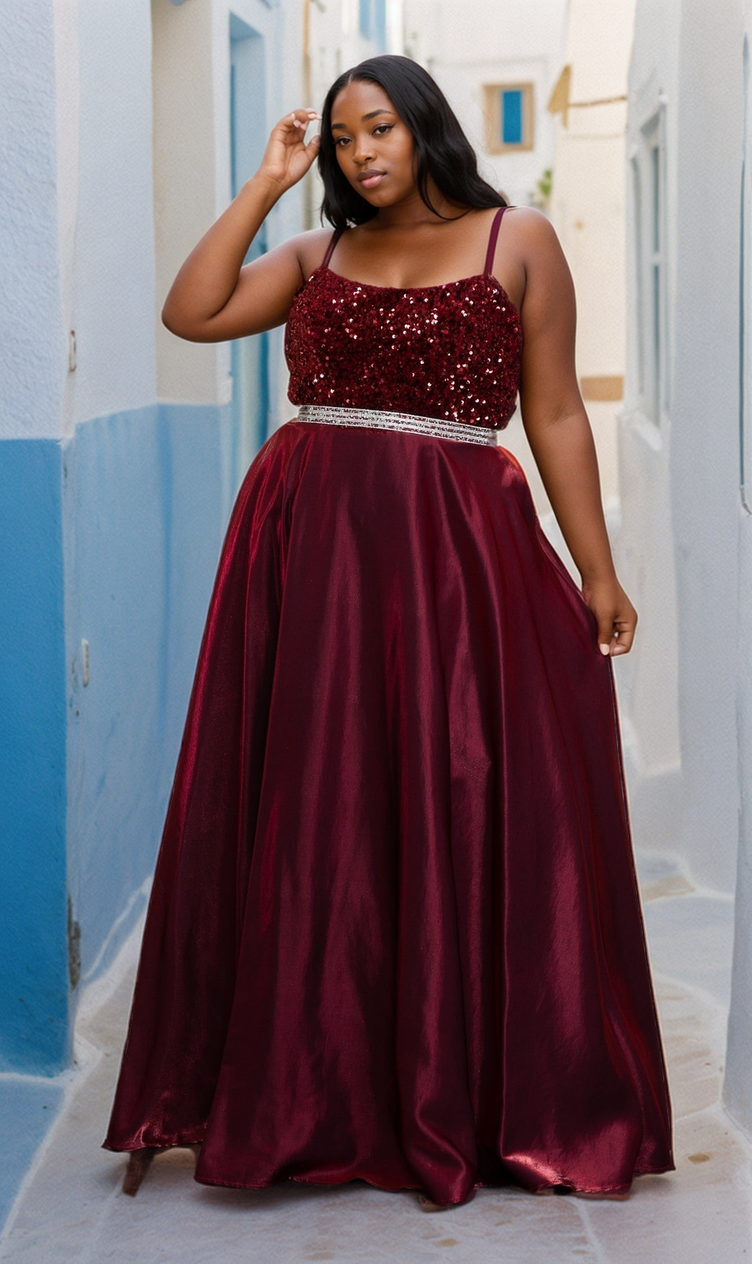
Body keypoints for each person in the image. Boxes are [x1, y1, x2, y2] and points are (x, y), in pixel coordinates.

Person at [103, 54, 673, 1212]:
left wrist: (597, 570)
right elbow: (190, 311)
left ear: (424, 129)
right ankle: (313, 1088)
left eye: (380, 131)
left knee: (462, 795)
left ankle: (466, 1089)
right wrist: (265, 185)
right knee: (319, 812)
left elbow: (553, 407)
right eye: (340, 140)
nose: (361, 154)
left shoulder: (516, 241)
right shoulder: (316, 256)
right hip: (307, 552)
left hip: (460, 561)